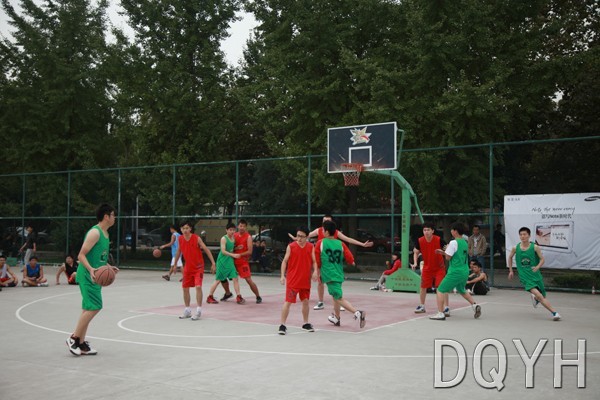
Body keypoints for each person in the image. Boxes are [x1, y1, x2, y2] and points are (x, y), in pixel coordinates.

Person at [66, 203, 118, 356]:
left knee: (88, 309)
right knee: (95, 306)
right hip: (87, 275)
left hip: (95, 275)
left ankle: (81, 343)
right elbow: (81, 255)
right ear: (106, 216)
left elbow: (99, 258)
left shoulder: (106, 234)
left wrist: (108, 267)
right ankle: (73, 338)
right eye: (113, 215)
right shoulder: (95, 233)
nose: (115, 218)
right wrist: (91, 269)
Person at [291, 215, 373, 311]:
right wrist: (297, 238)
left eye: (327, 220)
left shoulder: (335, 233)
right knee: (321, 282)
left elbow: (348, 239)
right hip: (323, 260)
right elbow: (305, 235)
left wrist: (362, 244)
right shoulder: (319, 231)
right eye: (324, 220)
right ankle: (321, 302)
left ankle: (339, 303)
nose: (325, 222)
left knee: (335, 284)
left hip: (332, 263)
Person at [314, 220, 366, 328]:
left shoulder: (321, 243)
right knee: (335, 296)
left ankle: (357, 312)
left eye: (323, 230)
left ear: (327, 232)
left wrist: (317, 271)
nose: (322, 232)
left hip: (329, 274)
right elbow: (349, 256)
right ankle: (337, 318)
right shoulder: (340, 243)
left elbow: (317, 259)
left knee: (338, 298)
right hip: (338, 273)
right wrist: (352, 262)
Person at [429, 222, 481, 321]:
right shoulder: (464, 242)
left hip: (455, 271)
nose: (451, 231)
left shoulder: (453, 242)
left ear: (455, 231)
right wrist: (444, 252)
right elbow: (456, 255)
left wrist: (446, 250)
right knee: (461, 290)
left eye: (452, 230)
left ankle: (440, 313)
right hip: (464, 270)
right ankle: (475, 305)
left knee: (440, 290)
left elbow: (448, 257)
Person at [508, 227, 561, 321]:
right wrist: (511, 270)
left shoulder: (535, 247)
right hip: (525, 276)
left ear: (529, 235)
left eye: (524, 234)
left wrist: (537, 267)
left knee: (543, 296)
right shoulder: (515, 248)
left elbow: (542, 259)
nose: (522, 236)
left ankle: (535, 299)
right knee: (540, 296)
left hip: (535, 275)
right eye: (521, 234)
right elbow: (510, 257)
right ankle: (555, 313)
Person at [173, 220, 216, 320]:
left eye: (187, 228)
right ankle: (187, 310)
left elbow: (206, 249)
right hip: (188, 267)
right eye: (183, 228)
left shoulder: (196, 238)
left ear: (190, 229)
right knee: (185, 288)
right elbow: (179, 251)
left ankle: (198, 310)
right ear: (181, 229)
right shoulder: (180, 239)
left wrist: (213, 263)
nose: (185, 230)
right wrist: (175, 264)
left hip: (198, 267)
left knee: (198, 287)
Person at [278, 226, 318, 335]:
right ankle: (282, 325)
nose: (299, 238)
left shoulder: (310, 247)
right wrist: (282, 275)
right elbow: (284, 261)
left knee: (305, 301)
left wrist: (315, 271)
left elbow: (314, 261)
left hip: (305, 280)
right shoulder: (291, 246)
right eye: (298, 236)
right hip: (293, 280)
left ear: (307, 237)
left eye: (302, 236)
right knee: (288, 302)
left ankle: (305, 323)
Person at [411, 222, 449, 315]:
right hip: (427, 267)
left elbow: (448, 251)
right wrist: (415, 263)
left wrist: (443, 252)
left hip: (439, 268)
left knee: (442, 287)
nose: (426, 232)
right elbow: (416, 252)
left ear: (432, 231)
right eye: (424, 230)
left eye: (428, 230)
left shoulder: (439, 240)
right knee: (423, 287)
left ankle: (446, 307)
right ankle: (422, 306)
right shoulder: (420, 241)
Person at [206, 223, 244, 304]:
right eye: (230, 230)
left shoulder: (233, 238)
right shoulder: (223, 238)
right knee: (218, 280)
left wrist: (236, 248)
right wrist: (233, 255)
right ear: (226, 230)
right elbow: (223, 251)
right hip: (222, 261)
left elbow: (230, 248)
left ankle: (238, 296)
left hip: (229, 261)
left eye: (233, 230)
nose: (232, 231)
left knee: (235, 278)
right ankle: (210, 297)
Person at [233, 219, 262, 304]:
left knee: (249, 280)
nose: (242, 227)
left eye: (244, 226)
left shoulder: (248, 237)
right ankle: (228, 293)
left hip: (243, 262)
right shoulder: (234, 235)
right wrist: (235, 249)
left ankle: (258, 296)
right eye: (240, 226)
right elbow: (230, 247)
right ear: (238, 226)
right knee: (222, 278)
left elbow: (250, 251)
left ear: (246, 227)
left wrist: (239, 254)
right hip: (233, 261)